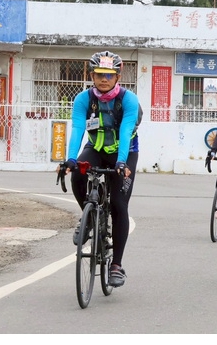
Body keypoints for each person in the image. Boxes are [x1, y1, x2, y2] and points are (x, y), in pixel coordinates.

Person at [61, 50, 139, 288]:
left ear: (117, 76)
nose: (103, 79)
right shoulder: (84, 99)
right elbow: (77, 129)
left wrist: (121, 162)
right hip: (95, 147)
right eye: (98, 74)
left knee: (118, 203)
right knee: (77, 174)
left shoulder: (128, 100)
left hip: (124, 152)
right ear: (92, 76)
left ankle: (116, 265)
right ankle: (90, 216)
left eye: (109, 75)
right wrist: (71, 159)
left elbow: (126, 131)